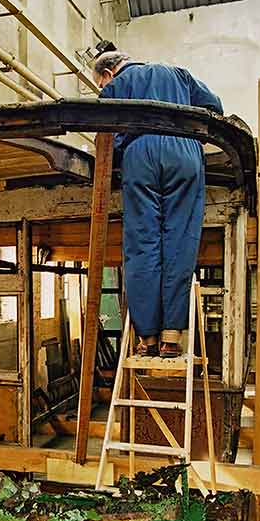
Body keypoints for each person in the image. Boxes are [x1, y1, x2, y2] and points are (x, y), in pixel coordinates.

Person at [93, 51, 223, 357]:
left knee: (142, 244)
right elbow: (214, 106)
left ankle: (147, 338)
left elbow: (103, 127)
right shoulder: (178, 73)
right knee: (180, 241)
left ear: (109, 74)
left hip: (141, 154)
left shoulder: (118, 84)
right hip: (184, 151)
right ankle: (171, 337)